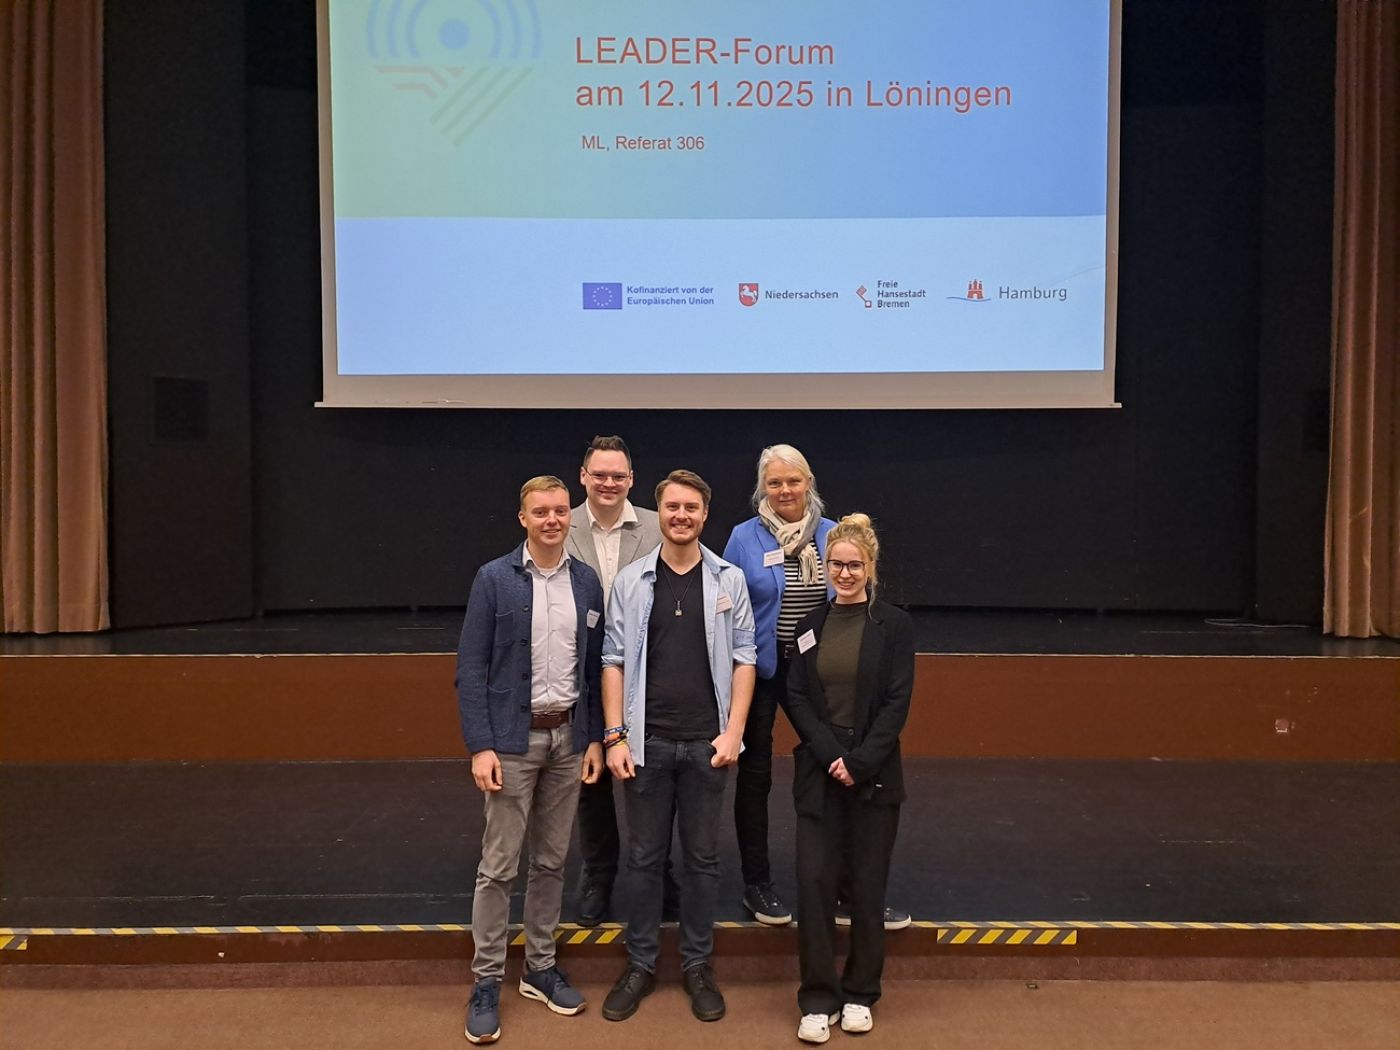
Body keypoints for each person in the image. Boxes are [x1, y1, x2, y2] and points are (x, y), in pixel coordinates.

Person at [599, 470, 757, 1024]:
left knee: (702, 861)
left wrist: (733, 732)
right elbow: (613, 660)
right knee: (643, 859)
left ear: (705, 515)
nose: (681, 515)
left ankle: (697, 965)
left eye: (691, 507)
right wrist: (615, 735)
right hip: (646, 744)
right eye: (672, 507)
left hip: (707, 745)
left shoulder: (729, 579)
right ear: (659, 512)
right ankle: (640, 964)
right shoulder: (632, 580)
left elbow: (745, 658)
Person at [455, 476, 606, 1044]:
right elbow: (471, 668)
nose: (552, 520)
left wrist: (594, 738)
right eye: (540, 512)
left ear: (571, 516)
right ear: (523, 518)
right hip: (510, 745)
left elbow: (593, 669)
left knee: (550, 863)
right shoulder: (493, 579)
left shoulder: (586, 581)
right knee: (498, 867)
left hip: (569, 741)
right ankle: (487, 981)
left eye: (560, 511)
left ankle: (540, 968)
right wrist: (481, 745)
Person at [784, 513, 914, 1044]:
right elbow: (796, 696)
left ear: (870, 567)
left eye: (854, 565)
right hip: (820, 773)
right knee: (814, 884)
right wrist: (831, 754)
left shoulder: (895, 626)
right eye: (836, 565)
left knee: (866, 886)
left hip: (873, 776)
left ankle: (860, 993)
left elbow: (896, 703)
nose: (844, 573)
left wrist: (858, 762)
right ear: (825, 567)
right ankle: (818, 1000)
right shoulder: (808, 625)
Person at [721, 444, 836, 925]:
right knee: (755, 777)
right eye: (774, 482)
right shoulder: (743, 538)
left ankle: (839, 883)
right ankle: (757, 884)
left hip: (818, 673)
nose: (785, 490)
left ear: (808, 482)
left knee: (832, 767)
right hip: (761, 671)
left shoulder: (833, 535)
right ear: (762, 489)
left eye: (793, 481)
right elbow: (724, 606)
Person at [565, 435, 665, 926]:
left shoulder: (658, 525)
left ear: (631, 480)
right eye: (599, 475)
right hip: (581, 670)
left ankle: (660, 872)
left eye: (618, 476)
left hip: (648, 668)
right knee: (592, 779)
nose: (608, 483)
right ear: (583, 477)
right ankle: (598, 875)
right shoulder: (560, 522)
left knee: (653, 776)